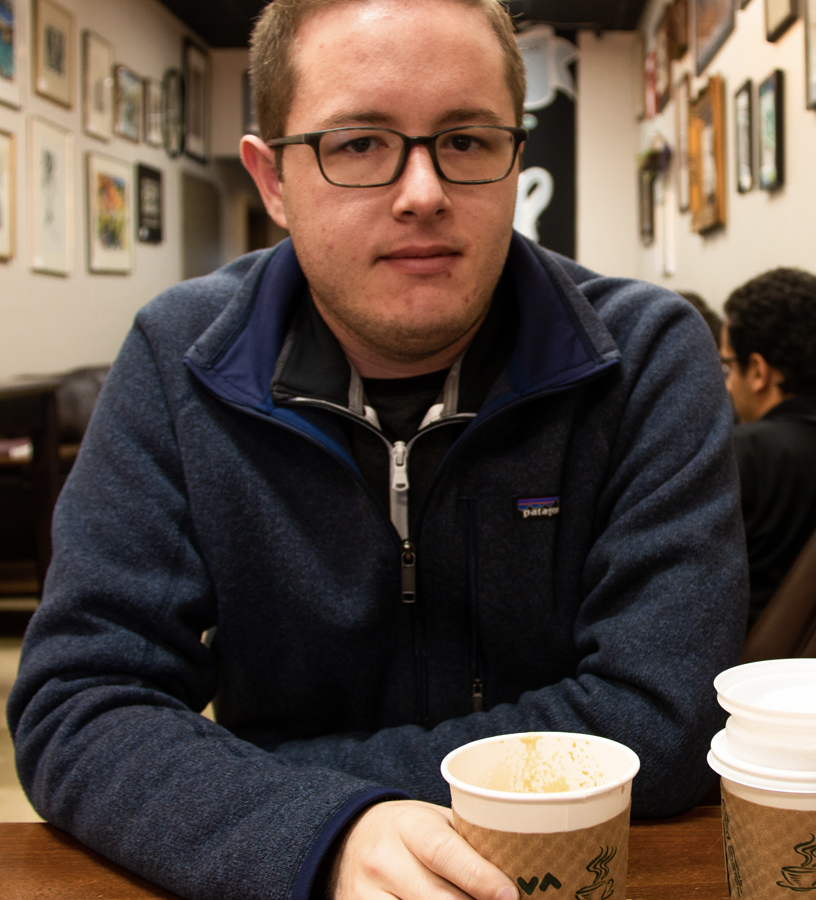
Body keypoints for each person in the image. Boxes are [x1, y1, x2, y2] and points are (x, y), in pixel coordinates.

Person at [6, 3, 747, 899]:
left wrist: (278, 782)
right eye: (359, 144)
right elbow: (78, 705)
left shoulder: (644, 358)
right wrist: (323, 831)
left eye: (468, 140)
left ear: (516, 161)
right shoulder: (179, 360)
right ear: (272, 180)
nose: (424, 191)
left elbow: (662, 721)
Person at [721, 268, 816, 628]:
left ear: (757, 371)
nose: (726, 385)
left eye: (727, 366)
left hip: (736, 677)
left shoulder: (738, 455)